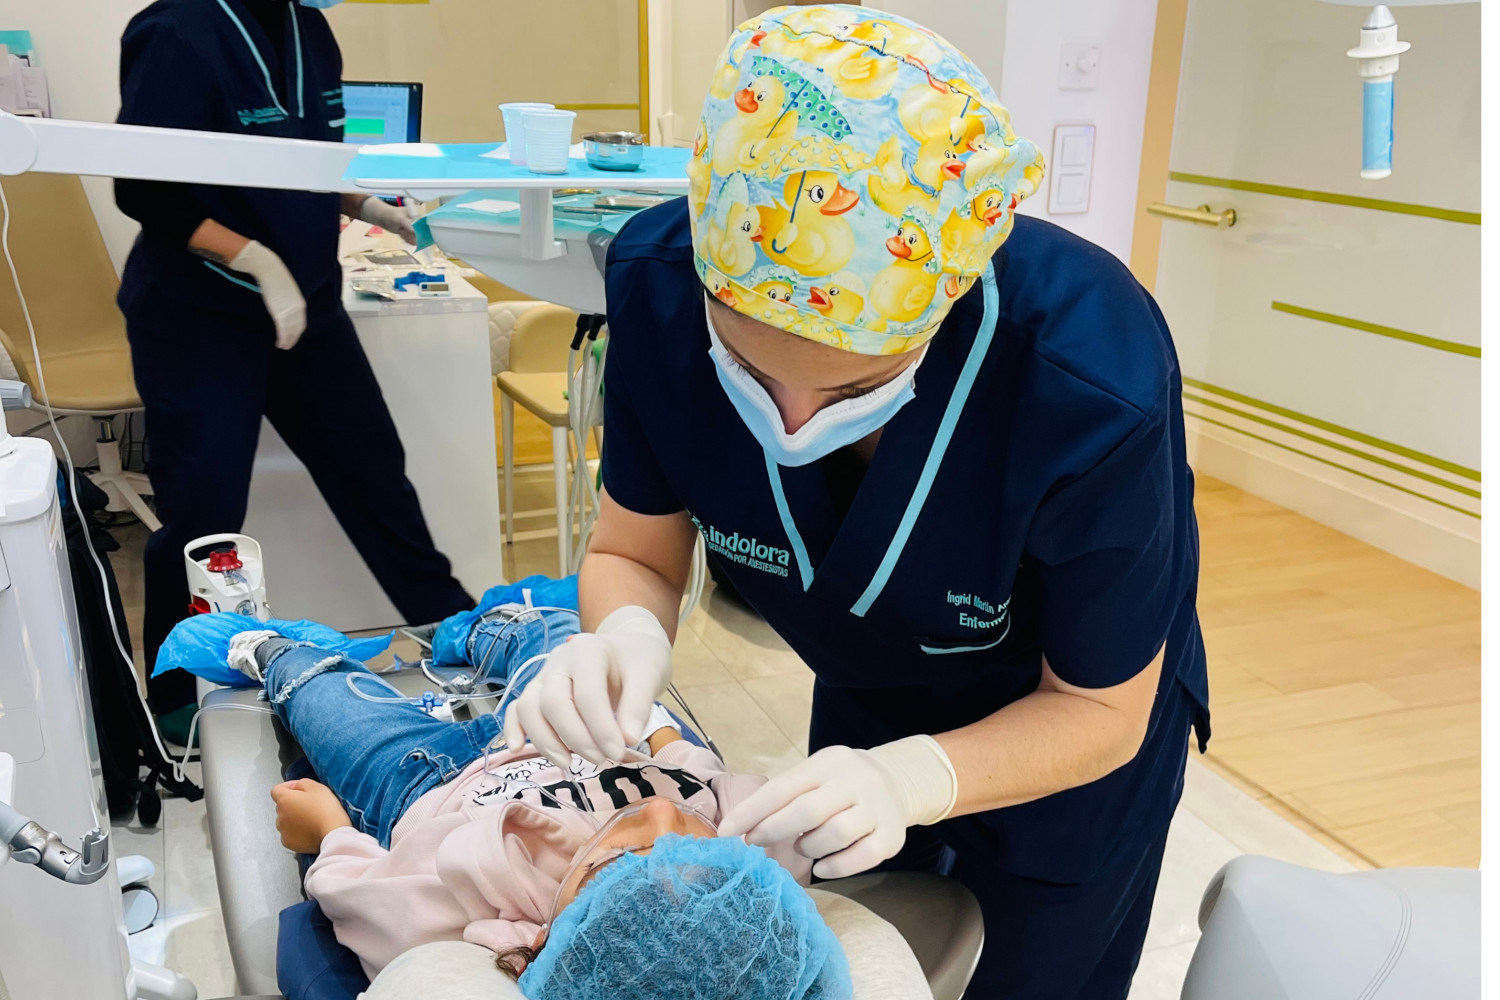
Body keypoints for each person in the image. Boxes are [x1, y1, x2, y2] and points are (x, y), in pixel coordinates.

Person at [503, 5, 1211, 998]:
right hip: (870, 686)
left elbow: (1099, 705)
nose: (790, 424)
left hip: (1071, 737)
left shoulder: (1088, 375)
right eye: (747, 368)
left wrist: (911, 778)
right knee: (852, 957)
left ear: (944, 310)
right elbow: (638, 551)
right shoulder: (659, 285)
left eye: (849, 390)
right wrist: (625, 636)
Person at [160, 611, 852, 1000]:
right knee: (565, 638)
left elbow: (357, 893)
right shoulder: (755, 859)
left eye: (622, 856)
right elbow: (704, 778)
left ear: (548, 937)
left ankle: (278, 651)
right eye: (701, 845)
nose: (665, 818)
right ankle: (501, 624)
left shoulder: (476, 911)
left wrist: (330, 831)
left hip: (423, 781)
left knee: (320, 697)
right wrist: (659, 735)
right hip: (588, 735)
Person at [112, 0, 472, 737]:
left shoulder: (310, 30)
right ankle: (176, 698)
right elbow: (142, 189)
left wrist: (369, 203)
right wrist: (255, 259)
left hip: (307, 306)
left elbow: (305, 161)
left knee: (375, 476)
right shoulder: (174, 31)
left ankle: (461, 632)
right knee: (205, 513)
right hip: (197, 315)